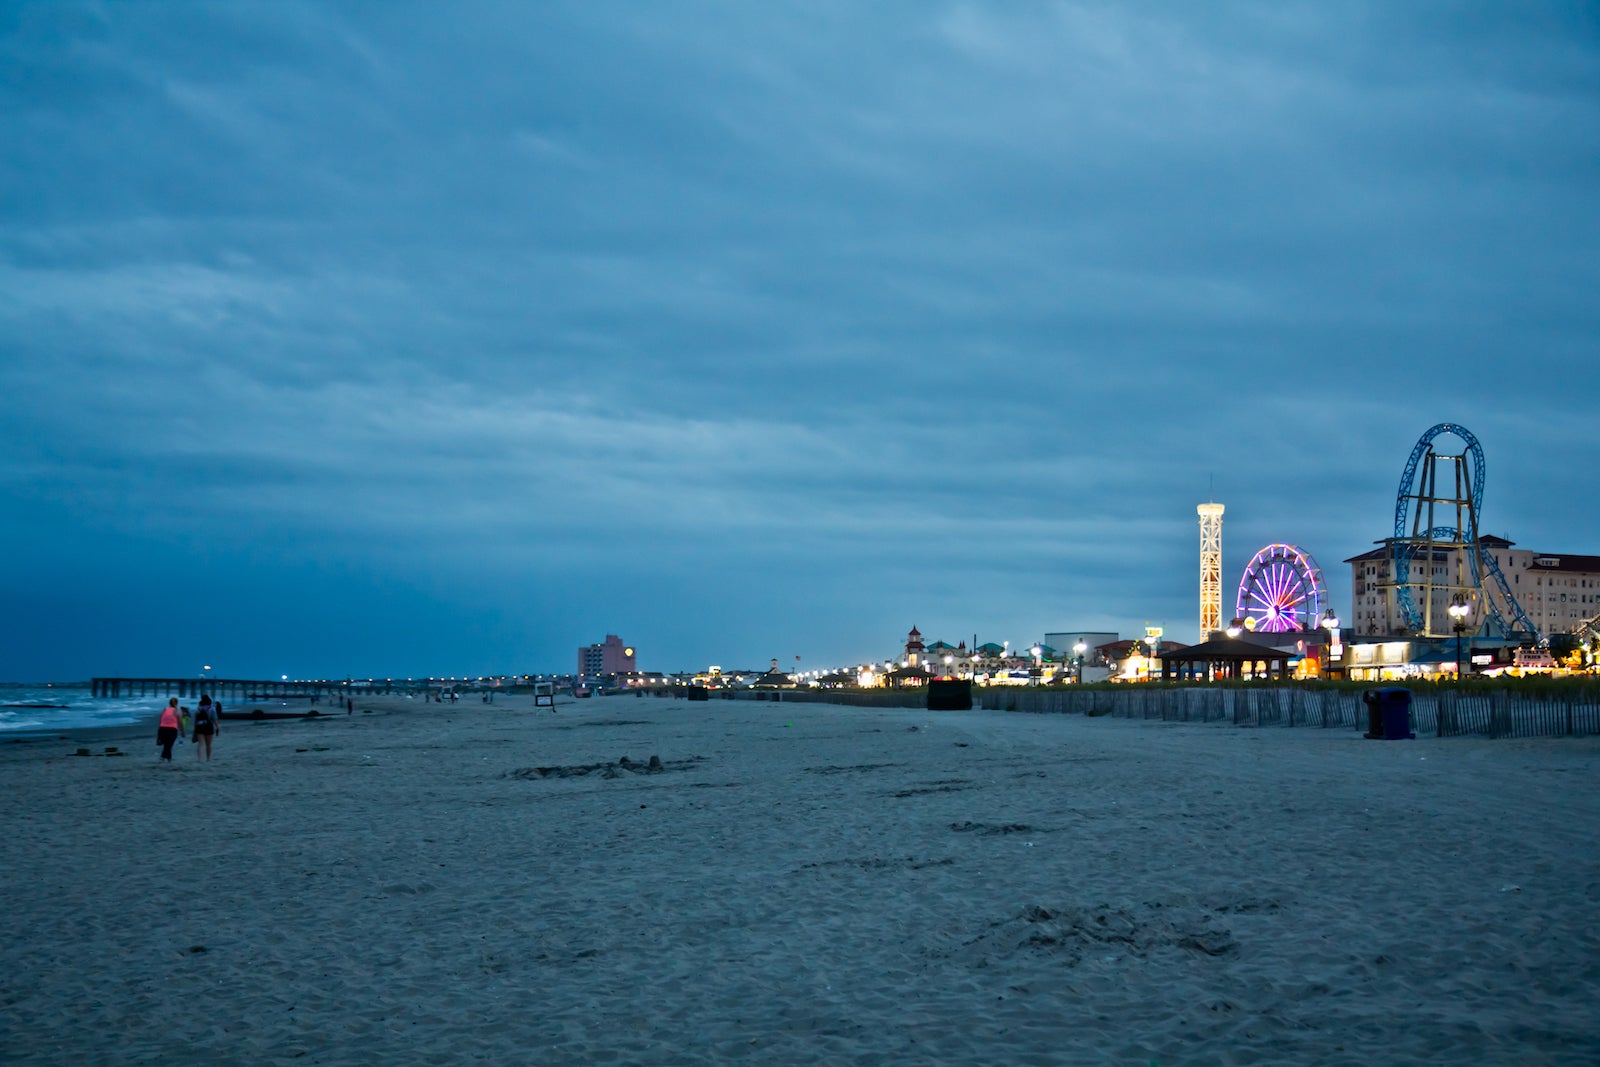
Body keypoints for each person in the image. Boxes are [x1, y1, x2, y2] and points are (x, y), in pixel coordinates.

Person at [192, 694, 219, 762]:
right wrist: (217, 727)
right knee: (208, 744)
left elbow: (196, 719)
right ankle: (208, 759)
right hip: (209, 726)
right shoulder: (211, 708)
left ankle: (199, 759)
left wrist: (195, 728)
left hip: (200, 726)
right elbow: (215, 719)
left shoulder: (199, 708)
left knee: (200, 744)